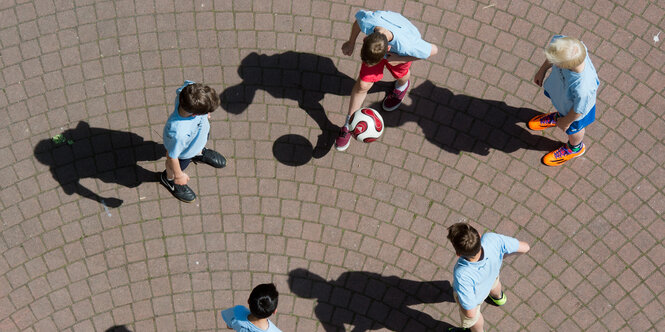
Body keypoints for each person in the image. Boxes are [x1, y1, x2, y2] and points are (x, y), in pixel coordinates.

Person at [335, 10, 438, 151]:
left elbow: (433, 50)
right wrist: (351, 42)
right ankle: (349, 124)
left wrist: (399, 58)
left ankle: (402, 86)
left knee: (401, 75)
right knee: (363, 84)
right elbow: (358, 23)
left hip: (400, 53)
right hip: (383, 46)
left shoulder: (407, 45)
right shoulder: (369, 23)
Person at [529, 35, 599, 166]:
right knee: (563, 109)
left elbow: (578, 111)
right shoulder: (565, 44)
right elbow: (553, 54)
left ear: (564, 65)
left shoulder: (583, 88)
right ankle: (559, 116)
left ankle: (575, 148)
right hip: (564, 98)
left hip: (575, 113)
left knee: (574, 130)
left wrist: (566, 122)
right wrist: (542, 69)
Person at [446, 223, 530, 332]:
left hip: (476, 297)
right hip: (492, 276)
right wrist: (503, 255)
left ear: (458, 254)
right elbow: (525, 247)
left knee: (474, 319)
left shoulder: (462, 274)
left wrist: (460, 304)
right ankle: (499, 299)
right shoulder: (491, 239)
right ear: (480, 236)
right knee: (494, 284)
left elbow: (471, 314)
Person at [161, 80, 226, 202]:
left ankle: (198, 153)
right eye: (207, 112)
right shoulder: (178, 133)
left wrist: (205, 112)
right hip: (184, 154)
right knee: (176, 165)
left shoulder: (189, 91)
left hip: (196, 139)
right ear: (195, 114)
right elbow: (171, 156)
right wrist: (179, 175)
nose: (209, 114)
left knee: (196, 143)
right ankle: (168, 178)